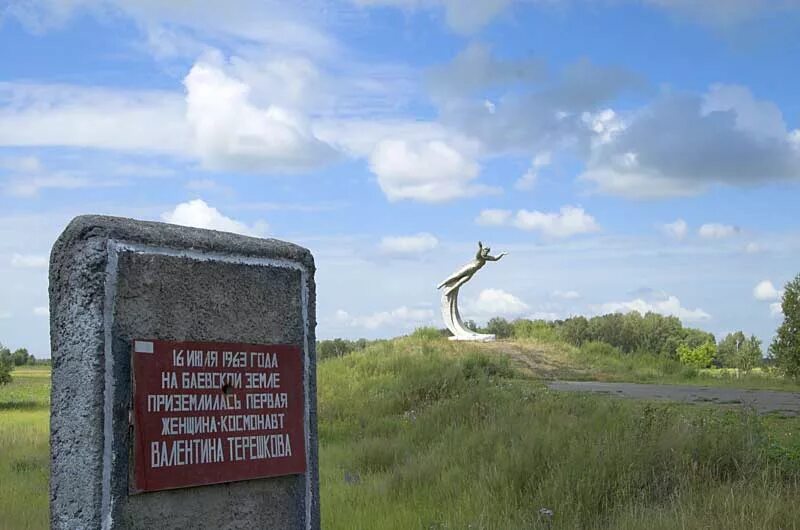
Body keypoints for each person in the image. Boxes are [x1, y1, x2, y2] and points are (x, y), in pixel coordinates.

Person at [437, 241, 506, 296]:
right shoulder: (479, 256)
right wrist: (480, 248)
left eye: (487, 251)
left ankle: (449, 291)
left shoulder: (487, 258)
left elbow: (495, 258)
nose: (486, 252)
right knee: (456, 275)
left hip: (472, 272)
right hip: (469, 268)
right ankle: (441, 284)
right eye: (485, 250)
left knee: (461, 282)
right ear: (482, 250)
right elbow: (478, 254)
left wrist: (501, 254)